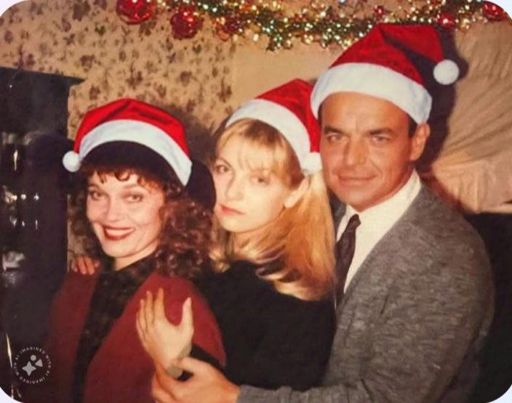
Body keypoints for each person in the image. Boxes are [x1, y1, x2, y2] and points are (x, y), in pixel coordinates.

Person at [150, 24, 494, 403]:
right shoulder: (318, 212)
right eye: (336, 136)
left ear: (417, 141)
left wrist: (234, 398)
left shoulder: (445, 257)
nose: (352, 159)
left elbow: (386, 398)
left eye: (378, 137)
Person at [73, 80, 337, 391]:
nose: (232, 192)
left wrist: (179, 359)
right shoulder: (207, 261)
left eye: (259, 179)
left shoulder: (299, 302)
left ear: (296, 191)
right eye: (224, 169)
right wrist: (100, 270)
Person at [27, 98, 225, 403]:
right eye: (97, 194)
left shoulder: (181, 311)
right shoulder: (79, 283)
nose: (110, 215)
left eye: (133, 197)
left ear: (172, 207)